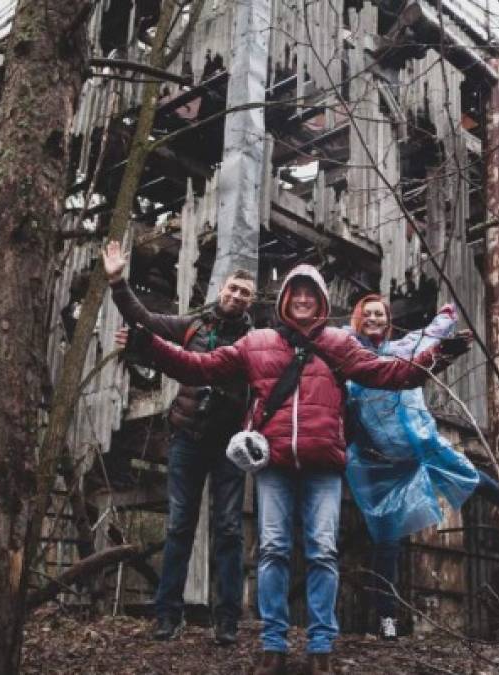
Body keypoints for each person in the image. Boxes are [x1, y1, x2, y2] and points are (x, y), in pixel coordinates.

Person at [124, 264, 471, 675]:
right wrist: (150, 345)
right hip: (274, 465)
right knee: (272, 550)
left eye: (311, 293)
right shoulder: (258, 343)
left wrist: (440, 354)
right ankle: (274, 645)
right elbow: (199, 367)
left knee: (323, 551)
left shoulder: (339, 343)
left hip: (323, 464)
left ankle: (321, 645)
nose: (303, 299)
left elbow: (391, 373)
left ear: (321, 301)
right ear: (286, 298)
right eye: (296, 292)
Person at [102, 241, 255, 644]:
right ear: (222, 290)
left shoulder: (255, 342)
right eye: (233, 289)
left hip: (229, 446)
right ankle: (167, 616)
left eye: (245, 293)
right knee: (179, 526)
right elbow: (145, 319)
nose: (237, 296)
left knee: (228, 529)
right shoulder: (194, 327)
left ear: (251, 301)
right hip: (186, 438)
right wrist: (118, 281)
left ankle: (227, 621)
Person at [345, 294, 499, 640]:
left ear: (388, 320)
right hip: (380, 463)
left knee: (464, 471)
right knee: (386, 542)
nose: (374, 319)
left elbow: (432, 332)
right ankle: (386, 619)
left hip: (421, 441)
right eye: (368, 314)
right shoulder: (349, 357)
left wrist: (450, 311)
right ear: (358, 319)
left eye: (380, 314)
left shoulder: (404, 347)